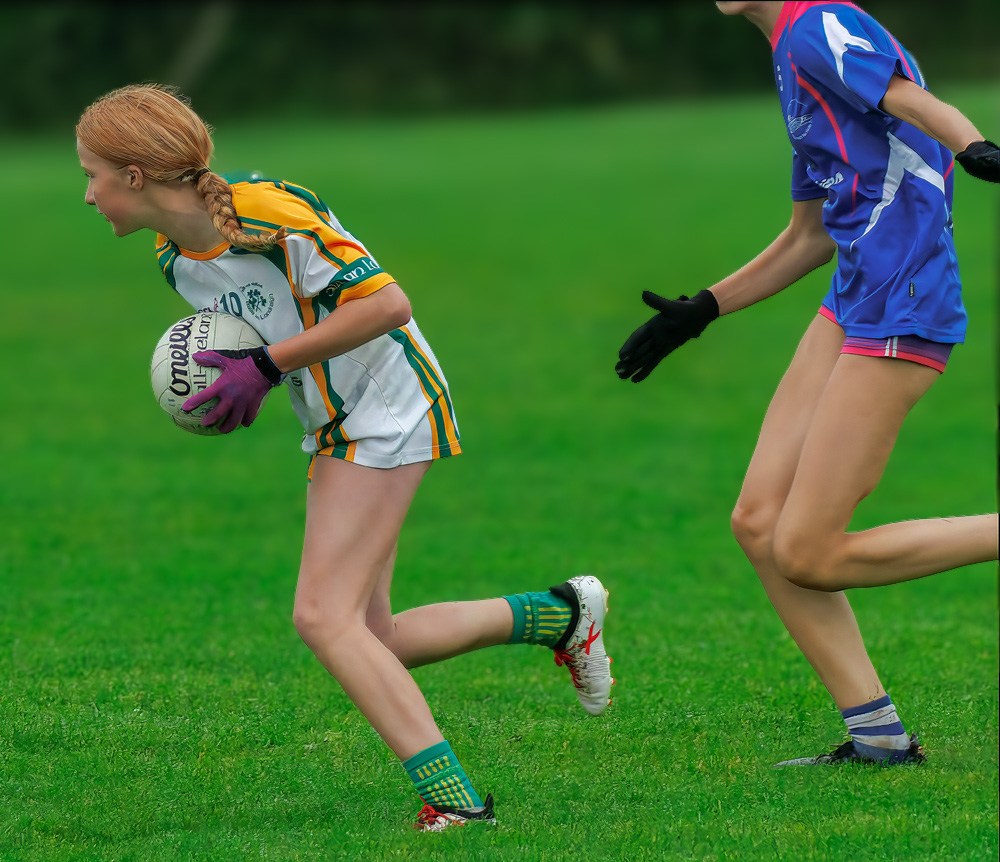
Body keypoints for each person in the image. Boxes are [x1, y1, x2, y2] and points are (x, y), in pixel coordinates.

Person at [76, 83, 614, 830]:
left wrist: (265, 368)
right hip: (336, 421)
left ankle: (456, 804)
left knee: (323, 618)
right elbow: (264, 340)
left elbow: (389, 305)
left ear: (135, 175)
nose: (87, 194)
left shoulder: (268, 214)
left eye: (92, 176)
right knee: (371, 637)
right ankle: (559, 614)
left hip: (391, 406)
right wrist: (243, 381)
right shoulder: (175, 259)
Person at [616, 1, 998, 766]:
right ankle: (878, 736)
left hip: (902, 299)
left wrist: (974, 146)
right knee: (760, 522)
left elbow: (911, 99)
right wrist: (703, 309)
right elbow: (811, 233)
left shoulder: (818, 23)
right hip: (854, 296)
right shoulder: (790, 54)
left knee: (810, 552)